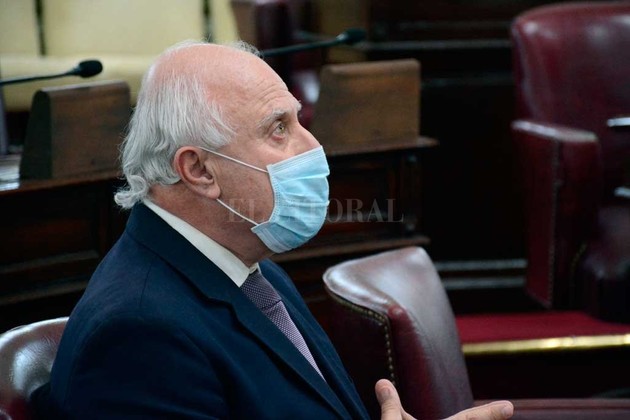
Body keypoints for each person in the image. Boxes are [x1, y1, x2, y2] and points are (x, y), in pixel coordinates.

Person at [33, 40, 513, 419]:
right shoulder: (139, 336)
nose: (313, 146)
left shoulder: (251, 269)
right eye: (278, 128)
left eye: (299, 120)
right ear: (198, 170)